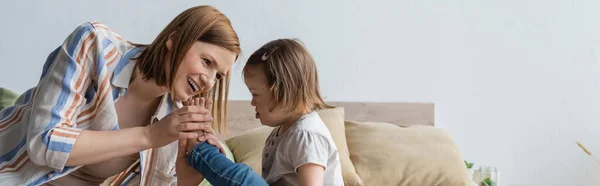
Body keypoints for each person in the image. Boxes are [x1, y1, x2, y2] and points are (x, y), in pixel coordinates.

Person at [0, 5, 239, 186]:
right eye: (206, 61)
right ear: (174, 40)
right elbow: (44, 143)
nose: (209, 81)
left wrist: (188, 176)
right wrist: (149, 136)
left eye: (218, 76)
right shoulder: (95, 45)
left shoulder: (175, 119)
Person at [182, 39, 344, 186]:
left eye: (255, 94)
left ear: (282, 92)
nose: (252, 102)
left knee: (243, 177)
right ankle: (206, 151)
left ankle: (201, 150)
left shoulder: (306, 134)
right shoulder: (283, 133)